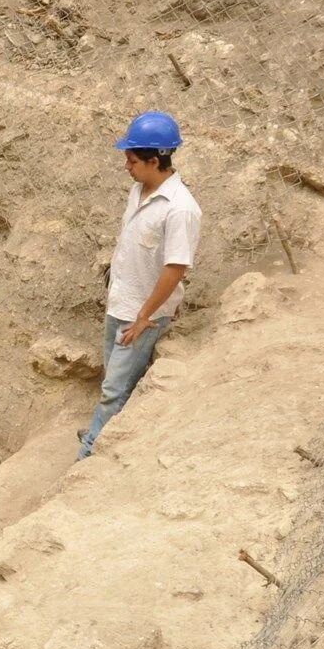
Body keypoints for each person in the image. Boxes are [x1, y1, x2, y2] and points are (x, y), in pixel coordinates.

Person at [79, 110, 203, 459]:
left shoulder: (180, 210)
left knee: (114, 389)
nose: (126, 165)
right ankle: (104, 428)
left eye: (131, 159)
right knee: (113, 380)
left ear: (153, 161)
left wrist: (145, 316)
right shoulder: (139, 191)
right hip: (120, 303)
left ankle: (90, 454)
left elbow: (175, 268)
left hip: (141, 316)